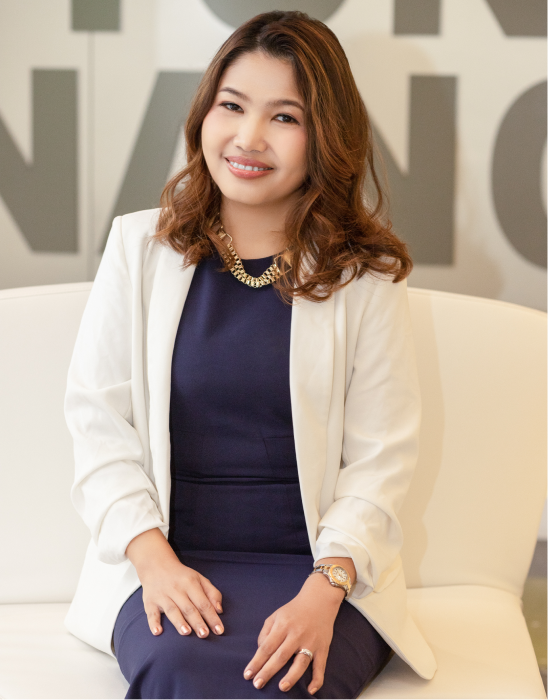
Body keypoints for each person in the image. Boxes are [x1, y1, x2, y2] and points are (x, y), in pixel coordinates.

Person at [64, 10, 437, 699]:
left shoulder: (367, 279)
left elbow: (382, 462)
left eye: (284, 117)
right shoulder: (138, 249)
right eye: (232, 106)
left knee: (284, 678)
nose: (248, 137)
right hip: (168, 561)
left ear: (326, 138)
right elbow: (97, 426)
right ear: (204, 113)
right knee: (180, 668)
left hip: (322, 573)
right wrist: (154, 562)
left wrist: (324, 590)